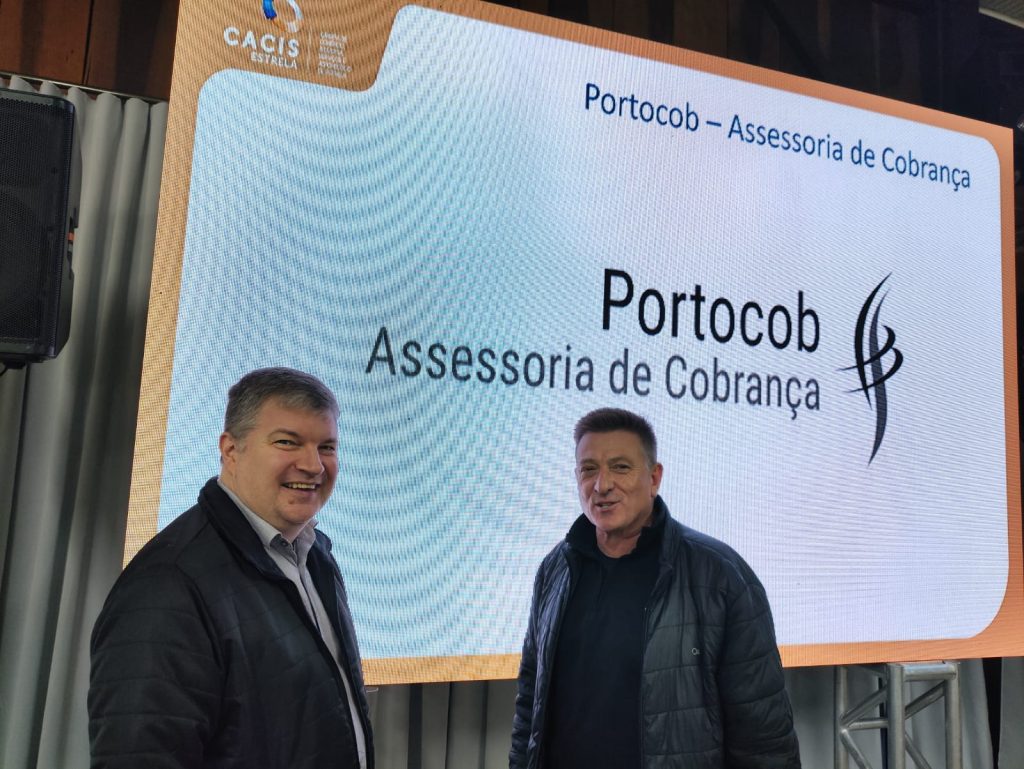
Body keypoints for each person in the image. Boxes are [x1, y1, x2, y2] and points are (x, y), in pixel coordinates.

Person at [89, 367, 374, 769]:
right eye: (287, 442)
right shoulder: (168, 583)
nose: (314, 465)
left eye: (326, 447)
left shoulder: (314, 555)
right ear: (230, 450)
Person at [510, 407, 800, 769]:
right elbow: (530, 703)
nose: (602, 485)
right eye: (589, 469)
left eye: (620, 467)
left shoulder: (720, 576)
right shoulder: (555, 570)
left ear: (654, 478)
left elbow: (763, 734)